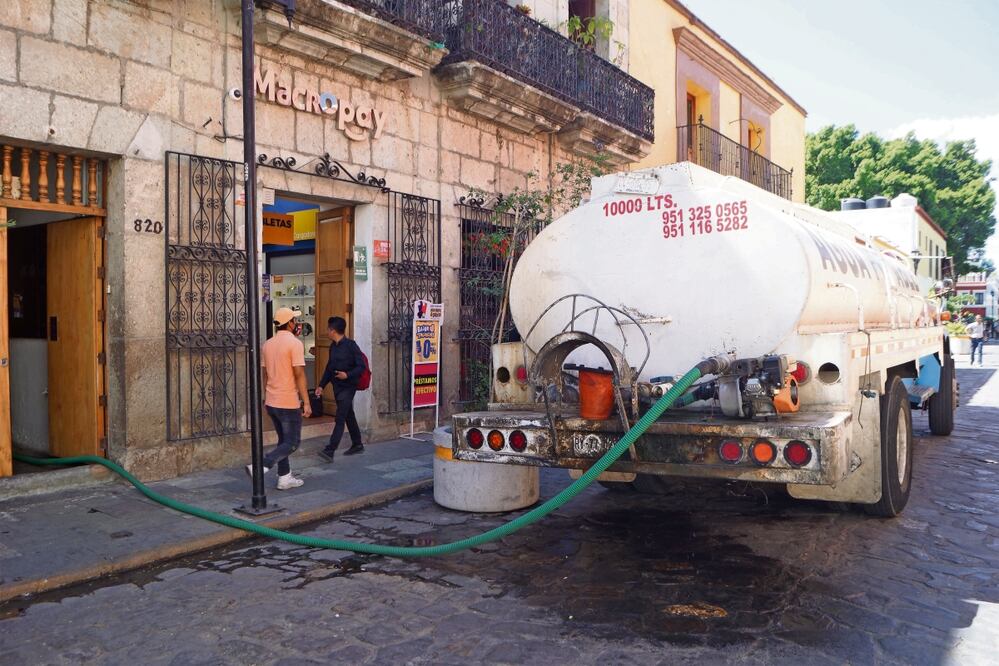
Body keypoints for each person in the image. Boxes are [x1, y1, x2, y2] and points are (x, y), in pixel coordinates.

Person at [246, 307, 311, 490]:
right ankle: (262, 465)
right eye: (295, 321)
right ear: (290, 323)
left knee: (283, 440)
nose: (297, 324)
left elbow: (265, 375)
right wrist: (306, 401)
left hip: (272, 400)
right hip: (288, 401)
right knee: (292, 443)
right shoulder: (295, 344)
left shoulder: (267, 344)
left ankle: (285, 477)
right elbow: (299, 375)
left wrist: (264, 397)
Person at [317, 316, 365, 461]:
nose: (327, 331)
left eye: (328, 329)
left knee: (340, 417)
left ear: (333, 330)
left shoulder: (351, 345)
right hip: (337, 387)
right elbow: (329, 367)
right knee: (349, 414)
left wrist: (347, 375)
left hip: (349, 387)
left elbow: (361, 367)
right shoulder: (333, 347)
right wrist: (321, 385)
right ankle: (357, 444)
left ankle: (330, 450)